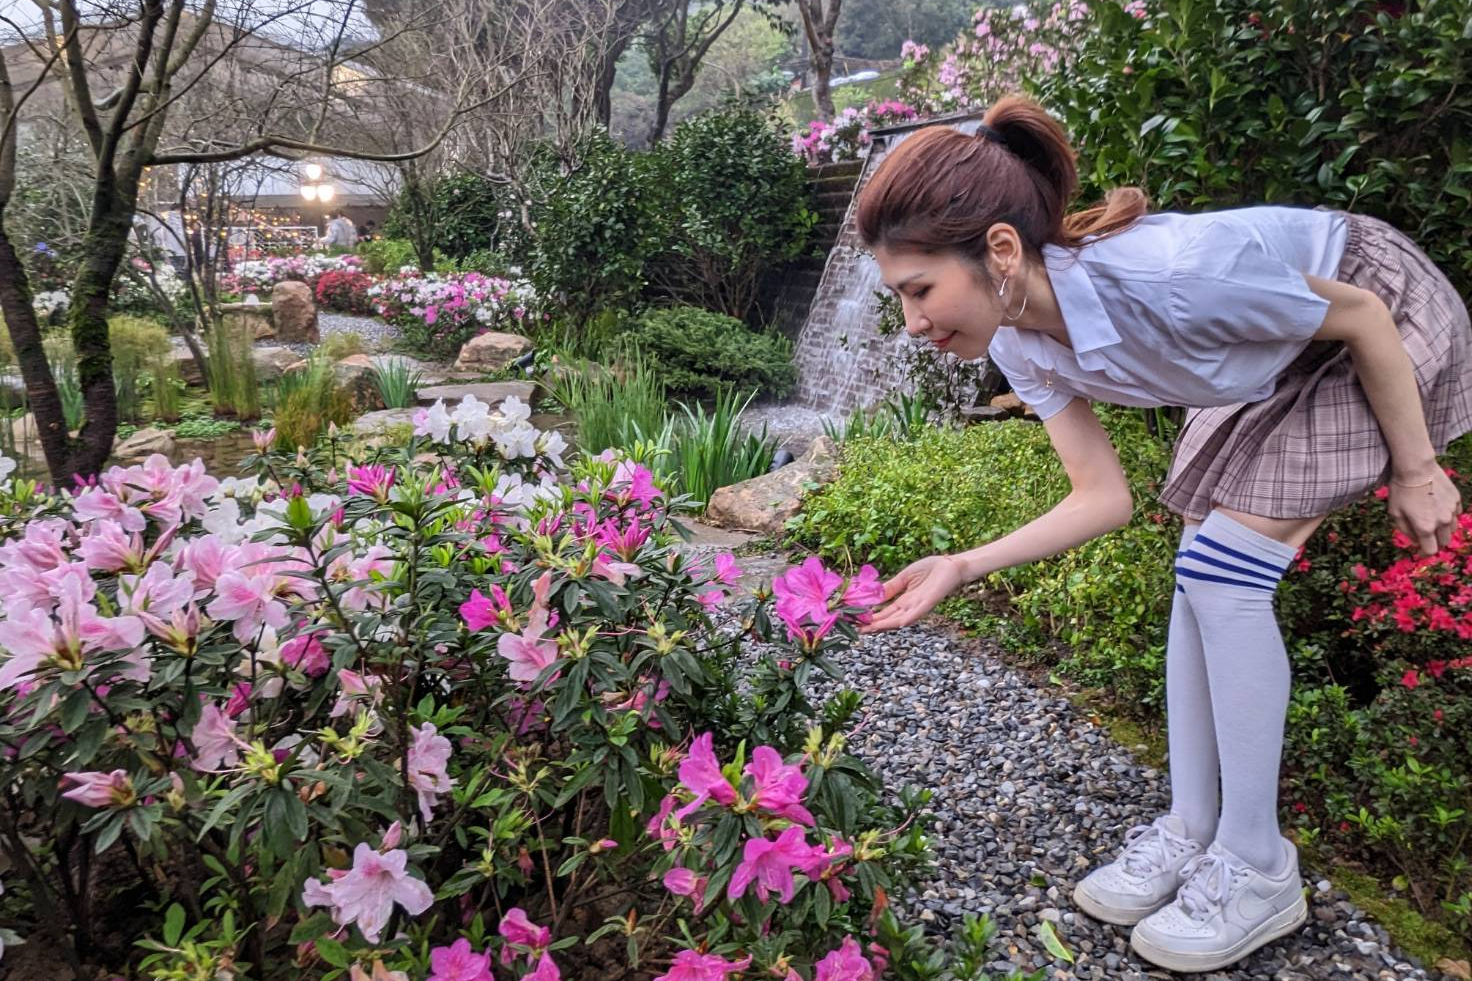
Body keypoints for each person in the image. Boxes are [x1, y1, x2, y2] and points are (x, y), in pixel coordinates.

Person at [856, 95, 1470, 973]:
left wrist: (1417, 471)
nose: (913, 322)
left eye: (920, 291)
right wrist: (962, 562)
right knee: (1199, 566)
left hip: (1378, 312)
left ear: (999, 250)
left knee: (1226, 571)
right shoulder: (1022, 337)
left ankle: (1259, 864)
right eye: (901, 296)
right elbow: (1102, 496)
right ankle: (1193, 827)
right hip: (1284, 345)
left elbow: (1364, 318)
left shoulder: (1174, 275)